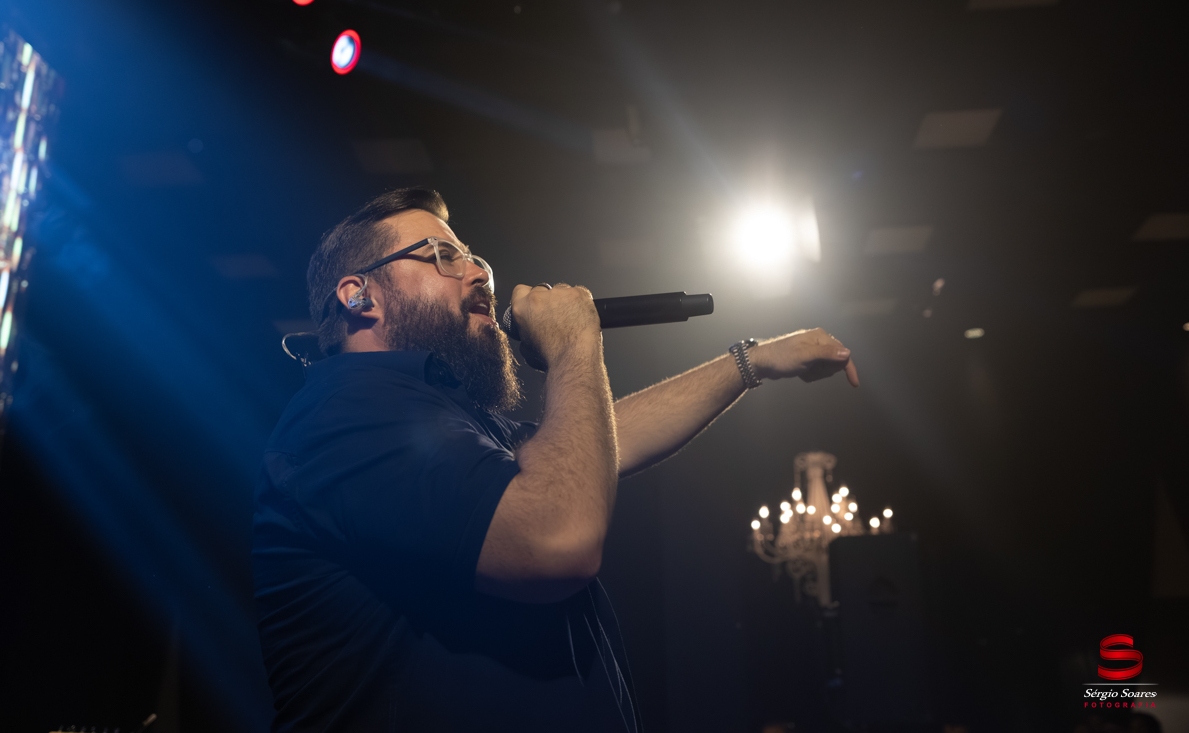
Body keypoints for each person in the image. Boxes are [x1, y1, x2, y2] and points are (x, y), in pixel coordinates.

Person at [253, 188, 860, 733]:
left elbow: (601, 441)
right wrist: (574, 343)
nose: (478, 273)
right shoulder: (346, 416)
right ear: (359, 294)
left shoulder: (436, 417)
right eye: (442, 255)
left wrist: (751, 362)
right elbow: (557, 538)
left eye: (474, 258)